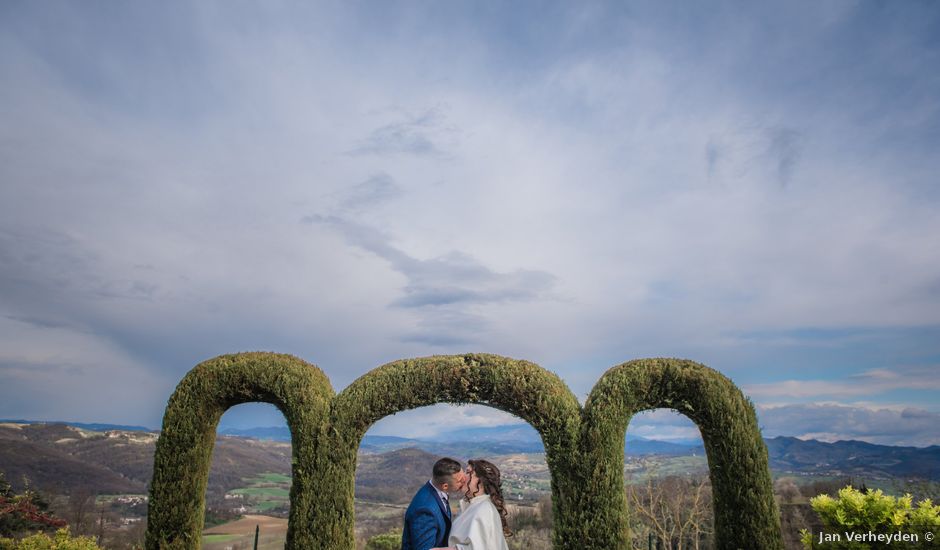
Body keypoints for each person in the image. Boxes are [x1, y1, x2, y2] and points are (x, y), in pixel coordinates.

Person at [432, 459, 511, 550]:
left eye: (468, 472)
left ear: (480, 481)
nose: (462, 477)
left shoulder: (484, 510)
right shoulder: (473, 506)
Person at [402, 457, 467, 550]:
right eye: (460, 480)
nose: (464, 481)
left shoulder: (437, 489)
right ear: (445, 486)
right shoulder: (425, 510)